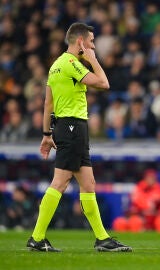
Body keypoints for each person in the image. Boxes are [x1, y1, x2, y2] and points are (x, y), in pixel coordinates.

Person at [26, 22, 132, 252]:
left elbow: (48, 103)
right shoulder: (72, 63)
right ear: (81, 42)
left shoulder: (55, 65)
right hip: (73, 126)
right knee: (61, 182)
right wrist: (93, 58)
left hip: (68, 127)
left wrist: (46, 134)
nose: (93, 45)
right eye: (91, 41)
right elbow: (104, 83)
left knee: (88, 184)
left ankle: (102, 239)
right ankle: (37, 237)